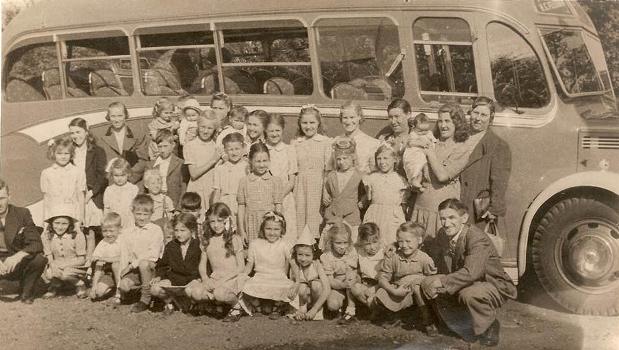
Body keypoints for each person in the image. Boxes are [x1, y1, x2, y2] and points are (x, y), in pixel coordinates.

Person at [421, 198, 517, 346]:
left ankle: (489, 324)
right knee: (427, 283)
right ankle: (463, 324)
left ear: (464, 218)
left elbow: (472, 272)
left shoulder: (476, 237)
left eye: (452, 218)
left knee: (468, 294)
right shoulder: (443, 233)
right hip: (466, 281)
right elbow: (432, 251)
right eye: (443, 219)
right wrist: (397, 248)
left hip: (490, 283)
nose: (446, 223)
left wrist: (441, 281)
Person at [410, 103, 472, 238]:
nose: (443, 125)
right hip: (421, 204)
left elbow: (442, 176)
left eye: (447, 121)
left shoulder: (461, 148)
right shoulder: (433, 142)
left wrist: (430, 153)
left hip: (442, 210)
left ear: (457, 123)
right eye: (440, 121)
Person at [460, 96, 511, 236]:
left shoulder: (498, 145)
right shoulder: (461, 138)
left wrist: (494, 209)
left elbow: (499, 182)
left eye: (483, 115)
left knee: (477, 247)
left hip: (479, 207)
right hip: (458, 203)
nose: (478, 118)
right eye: (476, 113)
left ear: (490, 118)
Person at [186, 203, 246, 321]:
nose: (216, 225)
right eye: (212, 221)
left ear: (227, 220)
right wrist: (205, 279)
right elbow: (202, 265)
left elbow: (241, 267)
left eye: (219, 221)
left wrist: (223, 280)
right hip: (215, 277)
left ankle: (237, 305)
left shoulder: (234, 239)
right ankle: (217, 305)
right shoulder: (207, 240)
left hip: (232, 278)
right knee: (196, 293)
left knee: (219, 293)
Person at [375, 222, 437, 335]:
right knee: (381, 293)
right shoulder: (394, 257)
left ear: (419, 240)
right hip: (401, 290)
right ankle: (396, 316)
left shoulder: (424, 259)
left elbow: (431, 278)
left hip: (419, 291)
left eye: (408, 241)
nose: (404, 245)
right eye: (400, 241)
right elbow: (383, 278)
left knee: (417, 288)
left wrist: (419, 282)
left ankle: (428, 320)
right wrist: (393, 290)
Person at [240, 211, 297, 319]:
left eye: (276, 229)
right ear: (263, 229)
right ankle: (257, 305)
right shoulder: (255, 243)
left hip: (278, 278)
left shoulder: (284, 244)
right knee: (244, 285)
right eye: (268, 229)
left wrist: (297, 281)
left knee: (288, 287)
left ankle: (277, 307)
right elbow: (249, 265)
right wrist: (243, 276)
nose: (272, 233)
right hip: (260, 277)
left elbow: (293, 265)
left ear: (282, 230)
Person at [0, 179, 47, 304]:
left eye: (2, 198)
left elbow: (36, 243)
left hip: (15, 261)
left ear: (9, 197)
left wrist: (17, 257)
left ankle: (27, 290)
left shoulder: (22, 213)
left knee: (39, 259)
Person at [118, 195, 165, 313]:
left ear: (151, 214)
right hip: (134, 270)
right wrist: (123, 274)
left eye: (145, 214)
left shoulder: (156, 230)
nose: (142, 218)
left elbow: (153, 254)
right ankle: (140, 291)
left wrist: (131, 265)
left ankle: (145, 299)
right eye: (138, 214)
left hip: (151, 268)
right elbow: (124, 255)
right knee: (124, 285)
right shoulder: (127, 232)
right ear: (132, 212)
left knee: (143, 264)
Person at [293, 105, 332, 240]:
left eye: (312, 122)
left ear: (318, 123)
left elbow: (328, 169)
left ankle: (314, 246)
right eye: (304, 123)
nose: (308, 126)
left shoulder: (325, 142)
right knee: (300, 217)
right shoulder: (296, 143)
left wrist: (325, 191)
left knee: (315, 217)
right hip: (300, 186)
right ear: (299, 124)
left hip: (317, 185)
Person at [151, 213, 202, 315]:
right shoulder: (171, 246)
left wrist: (199, 278)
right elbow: (162, 265)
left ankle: (192, 303)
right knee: (155, 289)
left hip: (192, 281)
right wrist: (159, 276)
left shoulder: (198, 245)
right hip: (175, 280)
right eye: (176, 230)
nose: (179, 234)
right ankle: (169, 303)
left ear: (191, 230)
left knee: (195, 291)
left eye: (182, 230)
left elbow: (204, 266)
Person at [68, 117, 107, 251]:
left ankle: (92, 259)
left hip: (91, 193)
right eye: (72, 133)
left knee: (90, 230)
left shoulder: (97, 151)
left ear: (86, 131)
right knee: (76, 228)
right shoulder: (69, 151)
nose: (75, 136)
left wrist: (91, 193)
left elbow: (102, 176)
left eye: (78, 132)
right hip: (74, 194)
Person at [362, 144, 409, 247]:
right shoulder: (372, 178)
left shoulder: (400, 180)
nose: (382, 162)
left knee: (391, 242)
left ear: (395, 159)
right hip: (375, 214)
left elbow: (404, 203)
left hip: (392, 216)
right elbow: (368, 198)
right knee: (373, 240)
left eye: (386, 158)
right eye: (379, 158)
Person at [237, 142, 284, 244]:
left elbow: (278, 207)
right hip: (251, 225)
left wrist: (277, 228)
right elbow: (241, 207)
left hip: (269, 226)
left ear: (269, 160)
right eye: (258, 161)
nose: (262, 165)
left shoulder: (275, 181)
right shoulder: (244, 181)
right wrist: (242, 231)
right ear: (250, 161)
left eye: (265, 161)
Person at [322, 136, 364, 247]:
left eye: (345, 158)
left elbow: (365, 192)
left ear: (352, 158)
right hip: (334, 213)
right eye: (339, 159)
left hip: (351, 214)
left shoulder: (359, 175)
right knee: (333, 242)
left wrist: (363, 200)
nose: (342, 162)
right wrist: (325, 194)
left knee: (351, 243)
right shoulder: (332, 175)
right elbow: (327, 189)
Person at [264, 114, 298, 242]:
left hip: (285, 197)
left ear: (283, 130)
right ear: (265, 130)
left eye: (277, 130)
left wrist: (278, 197)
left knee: (286, 233)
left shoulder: (289, 150)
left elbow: (291, 181)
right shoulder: (261, 149)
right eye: (271, 130)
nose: (274, 134)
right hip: (266, 197)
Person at [40, 135, 86, 229]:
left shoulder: (78, 172)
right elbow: (47, 198)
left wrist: (81, 217)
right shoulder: (47, 173)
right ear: (53, 154)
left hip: (73, 213)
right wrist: (45, 219)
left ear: (71, 154)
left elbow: (80, 196)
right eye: (59, 153)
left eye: (66, 153)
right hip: (54, 213)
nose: (63, 156)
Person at [41, 210, 88, 299]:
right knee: (49, 273)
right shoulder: (46, 235)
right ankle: (56, 285)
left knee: (66, 274)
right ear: (51, 223)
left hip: (75, 265)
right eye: (56, 223)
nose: (60, 227)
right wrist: (53, 266)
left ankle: (79, 284)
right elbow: (49, 255)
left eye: (64, 224)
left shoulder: (77, 235)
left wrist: (64, 265)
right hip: (56, 264)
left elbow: (82, 259)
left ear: (70, 224)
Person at [134, 129, 185, 208]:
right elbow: (144, 186)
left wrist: (179, 209)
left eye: (165, 146)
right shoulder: (151, 165)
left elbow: (183, 188)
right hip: (155, 205)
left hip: (174, 205)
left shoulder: (180, 163)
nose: (162, 150)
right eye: (160, 147)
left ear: (173, 145)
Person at [95, 101, 149, 174]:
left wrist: (129, 176)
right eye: (113, 116)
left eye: (120, 116)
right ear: (108, 117)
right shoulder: (101, 138)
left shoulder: (138, 135)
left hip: (132, 178)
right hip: (111, 179)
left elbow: (143, 160)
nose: (117, 120)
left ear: (125, 116)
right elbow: (99, 163)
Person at [319, 222, 358, 324]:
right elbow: (330, 280)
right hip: (337, 285)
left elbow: (355, 271)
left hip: (353, 283)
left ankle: (351, 309)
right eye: (338, 243)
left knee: (350, 275)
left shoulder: (351, 251)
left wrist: (348, 282)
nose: (342, 247)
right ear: (331, 242)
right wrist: (341, 285)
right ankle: (340, 308)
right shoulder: (326, 256)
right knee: (332, 305)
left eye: (345, 243)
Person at [291, 226, 330, 321]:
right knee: (301, 286)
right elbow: (293, 284)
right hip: (303, 298)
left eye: (307, 255)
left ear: (313, 255)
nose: (303, 259)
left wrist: (315, 309)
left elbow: (327, 288)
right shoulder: (295, 263)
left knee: (316, 284)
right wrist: (296, 307)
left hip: (316, 297)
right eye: (300, 254)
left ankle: (317, 310)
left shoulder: (316, 264)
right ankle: (302, 309)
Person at [183, 112, 221, 211]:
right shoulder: (190, 146)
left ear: (214, 130)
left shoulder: (216, 146)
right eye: (202, 127)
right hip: (196, 190)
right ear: (198, 126)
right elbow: (194, 173)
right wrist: (213, 160)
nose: (205, 131)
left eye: (209, 128)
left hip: (212, 190)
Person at [211, 133, 249, 223]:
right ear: (225, 150)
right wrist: (214, 210)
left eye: (237, 149)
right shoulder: (219, 168)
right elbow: (217, 192)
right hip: (225, 206)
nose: (234, 152)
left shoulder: (247, 167)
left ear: (243, 149)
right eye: (230, 149)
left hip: (242, 207)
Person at [89, 212, 123, 303]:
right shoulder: (103, 243)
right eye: (105, 231)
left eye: (111, 231)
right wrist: (94, 287)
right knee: (98, 293)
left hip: (123, 272)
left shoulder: (122, 241)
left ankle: (119, 291)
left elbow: (124, 259)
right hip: (109, 273)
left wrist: (106, 259)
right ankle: (112, 287)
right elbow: (98, 264)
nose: (108, 234)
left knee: (115, 265)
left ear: (119, 229)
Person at [338, 101, 380, 174]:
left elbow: (375, 172)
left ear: (359, 117)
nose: (348, 121)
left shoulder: (372, 143)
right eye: (345, 117)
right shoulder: (336, 141)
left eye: (352, 117)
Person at [350, 223, 383, 310]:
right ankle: (370, 307)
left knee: (379, 295)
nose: (372, 247)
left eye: (375, 242)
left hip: (380, 285)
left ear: (379, 240)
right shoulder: (360, 252)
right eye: (368, 244)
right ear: (362, 243)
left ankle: (375, 308)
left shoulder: (384, 253)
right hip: (366, 284)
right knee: (355, 287)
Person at [377, 98, 412, 176]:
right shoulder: (384, 139)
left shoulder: (416, 137)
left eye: (397, 116)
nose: (393, 121)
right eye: (390, 117)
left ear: (408, 115)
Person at [402, 113, 437, 191]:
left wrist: (433, 144)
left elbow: (434, 141)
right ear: (414, 127)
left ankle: (422, 183)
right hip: (415, 153)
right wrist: (421, 143)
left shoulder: (429, 133)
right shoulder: (413, 134)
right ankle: (415, 181)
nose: (423, 133)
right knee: (417, 167)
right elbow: (411, 143)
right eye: (420, 130)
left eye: (426, 130)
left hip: (424, 154)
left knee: (425, 167)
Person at [103, 158, 139, 230]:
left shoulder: (133, 189)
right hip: (114, 224)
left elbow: (137, 209)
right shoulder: (109, 190)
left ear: (128, 174)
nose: (119, 179)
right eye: (116, 175)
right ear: (112, 175)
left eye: (122, 175)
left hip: (129, 223)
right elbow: (107, 209)